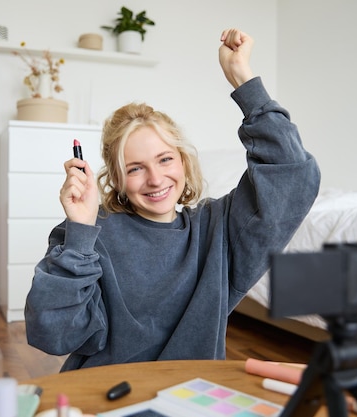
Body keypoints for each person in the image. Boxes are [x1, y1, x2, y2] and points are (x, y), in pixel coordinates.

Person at [25, 28, 321, 371]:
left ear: (183, 160)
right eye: (135, 168)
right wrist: (79, 231)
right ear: (117, 178)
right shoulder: (90, 233)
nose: (155, 179)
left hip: (192, 392)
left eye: (165, 159)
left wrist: (243, 79)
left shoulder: (218, 230)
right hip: (107, 391)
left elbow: (293, 174)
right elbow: (54, 336)